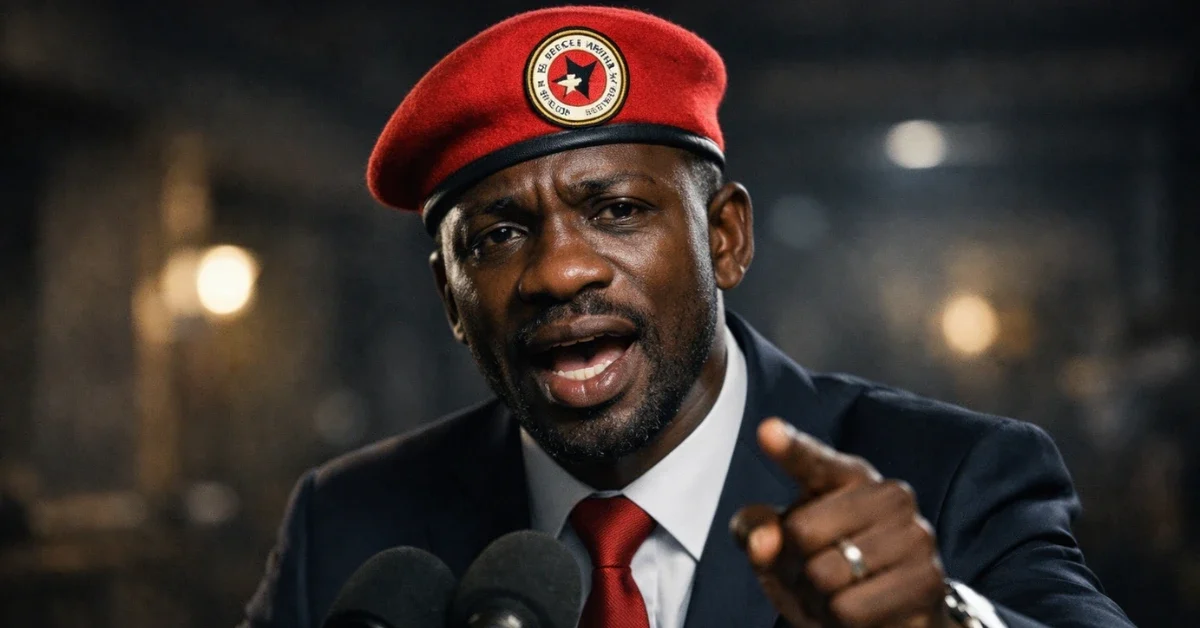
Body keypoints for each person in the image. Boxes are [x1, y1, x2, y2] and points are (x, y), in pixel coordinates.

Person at [242, 6, 1132, 628]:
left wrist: (943, 621)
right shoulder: (348, 523)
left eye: (619, 211)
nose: (559, 271)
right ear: (451, 301)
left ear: (726, 239)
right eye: (499, 235)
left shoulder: (948, 479)